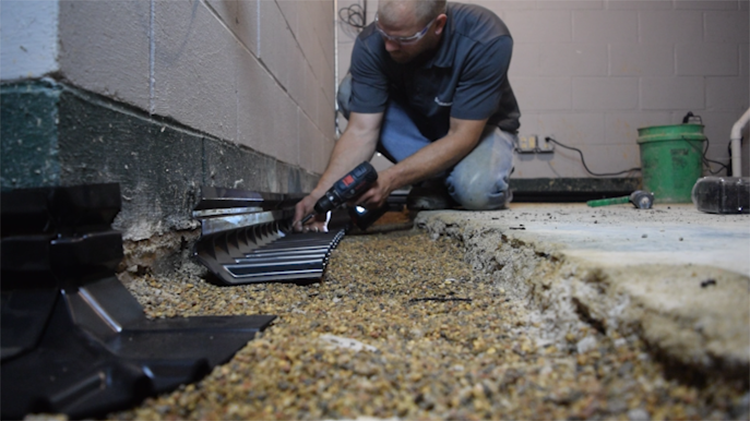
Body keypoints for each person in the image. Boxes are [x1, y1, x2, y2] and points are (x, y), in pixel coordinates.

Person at [294, 0, 520, 232]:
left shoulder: (485, 37)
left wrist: (390, 180)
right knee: (349, 92)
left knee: (476, 192)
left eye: (403, 39)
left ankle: (468, 180)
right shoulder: (372, 43)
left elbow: (462, 136)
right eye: (384, 32)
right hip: (422, 129)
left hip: (478, 131)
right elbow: (361, 131)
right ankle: (435, 182)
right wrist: (320, 194)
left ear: (438, 25)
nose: (390, 46)